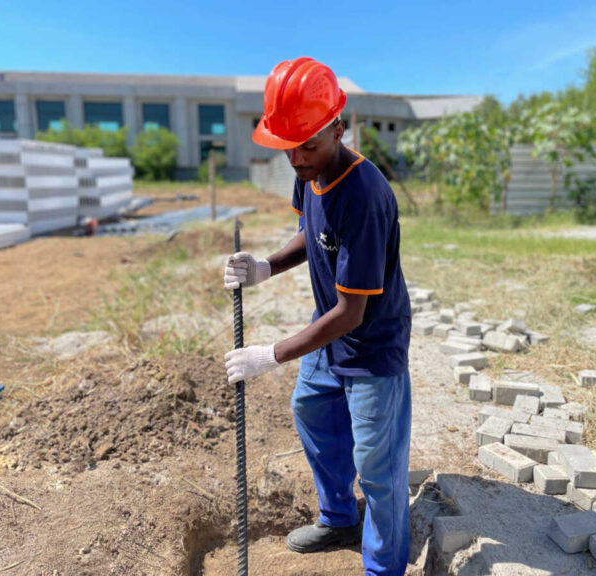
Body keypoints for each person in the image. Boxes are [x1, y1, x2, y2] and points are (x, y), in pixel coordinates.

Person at [223, 57, 412, 576]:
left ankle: (383, 567)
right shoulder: (309, 174)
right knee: (312, 413)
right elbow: (312, 231)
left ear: (338, 128)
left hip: (372, 345)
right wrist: (266, 266)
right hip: (329, 333)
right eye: (290, 146)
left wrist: (273, 353)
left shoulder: (365, 194)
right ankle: (339, 518)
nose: (299, 158)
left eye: (310, 144)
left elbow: (353, 312)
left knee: (379, 466)